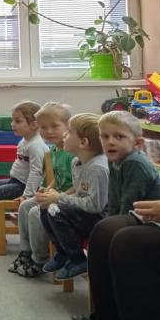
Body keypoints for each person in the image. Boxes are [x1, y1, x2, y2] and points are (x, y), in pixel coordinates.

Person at [84, 108, 160, 320]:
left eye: (119, 136)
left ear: (137, 143)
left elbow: (130, 202)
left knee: (114, 237)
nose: (110, 142)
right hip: (137, 218)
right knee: (104, 233)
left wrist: (113, 226)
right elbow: (114, 199)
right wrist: (109, 223)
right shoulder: (115, 160)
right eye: (105, 136)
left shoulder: (135, 163)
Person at [36, 113, 109, 280]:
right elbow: (78, 192)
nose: (64, 135)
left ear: (83, 143)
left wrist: (59, 198)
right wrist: (51, 196)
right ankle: (63, 252)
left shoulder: (98, 168)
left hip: (100, 219)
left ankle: (78, 259)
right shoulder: (76, 162)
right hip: (84, 213)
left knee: (55, 209)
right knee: (46, 206)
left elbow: (95, 206)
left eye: (69, 132)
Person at [0, 101, 47, 253]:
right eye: (12, 120)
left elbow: (36, 172)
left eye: (18, 121)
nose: (12, 124)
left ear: (34, 124)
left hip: (23, 186)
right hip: (15, 181)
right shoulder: (24, 140)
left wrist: (27, 195)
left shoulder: (36, 146)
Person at [13, 101, 73, 277]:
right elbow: (57, 178)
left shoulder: (72, 152)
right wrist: (47, 189)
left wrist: (57, 196)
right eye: (44, 127)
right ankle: (26, 251)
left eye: (54, 126)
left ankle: (39, 260)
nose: (49, 131)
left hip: (68, 197)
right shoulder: (54, 150)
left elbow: (78, 185)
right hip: (55, 194)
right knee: (25, 206)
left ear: (68, 126)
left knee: (35, 212)